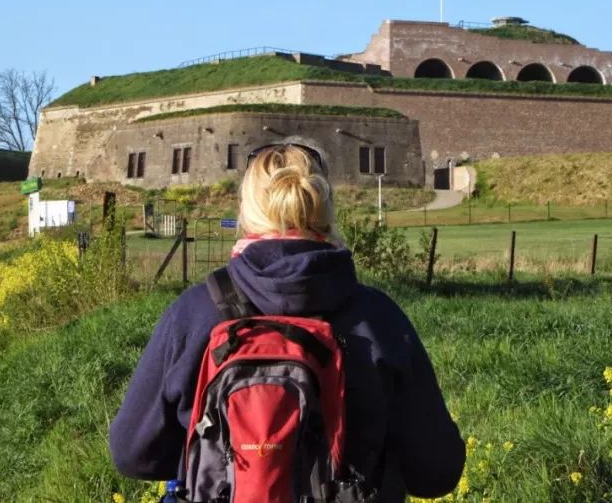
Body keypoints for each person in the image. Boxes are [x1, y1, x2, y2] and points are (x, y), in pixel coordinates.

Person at [109, 142, 465, 501]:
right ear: (326, 213)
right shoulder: (378, 319)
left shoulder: (195, 312)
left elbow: (132, 454)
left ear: (246, 213)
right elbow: (437, 472)